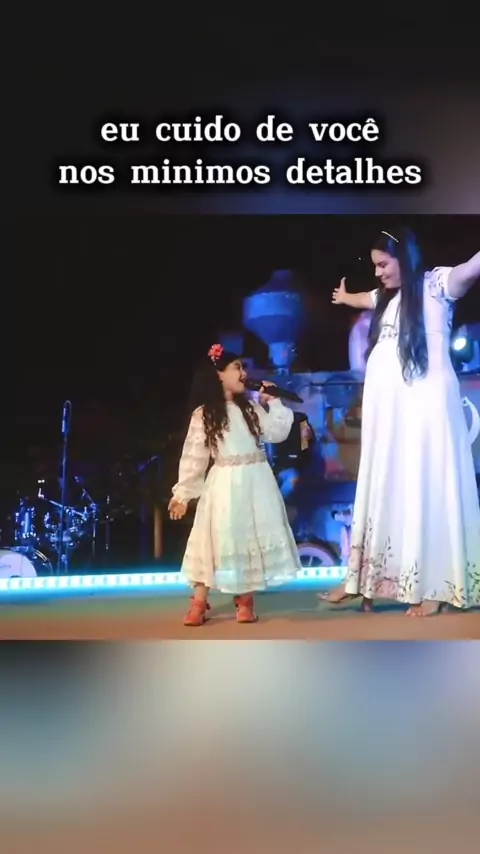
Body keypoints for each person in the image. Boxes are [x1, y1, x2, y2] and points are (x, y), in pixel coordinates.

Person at [319, 226, 480, 616]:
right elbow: (365, 297)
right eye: (375, 266)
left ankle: (437, 586)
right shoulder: (386, 298)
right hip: (390, 414)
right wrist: (345, 298)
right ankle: (365, 579)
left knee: (428, 484)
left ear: (404, 258)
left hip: (426, 408)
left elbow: (470, 270)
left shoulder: (435, 286)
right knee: (385, 485)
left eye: (383, 264)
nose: (377, 272)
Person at [168, 344, 301, 626]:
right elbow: (194, 456)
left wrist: (274, 402)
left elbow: (276, 433)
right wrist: (183, 494)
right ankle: (199, 602)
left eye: (243, 367)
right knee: (213, 540)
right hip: (224, 483)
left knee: (249, 537)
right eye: (237, 367)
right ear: (219, 375)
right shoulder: (204, 414)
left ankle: (245, 602)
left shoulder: (251, 407)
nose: (243, 373)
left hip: (256, 481)